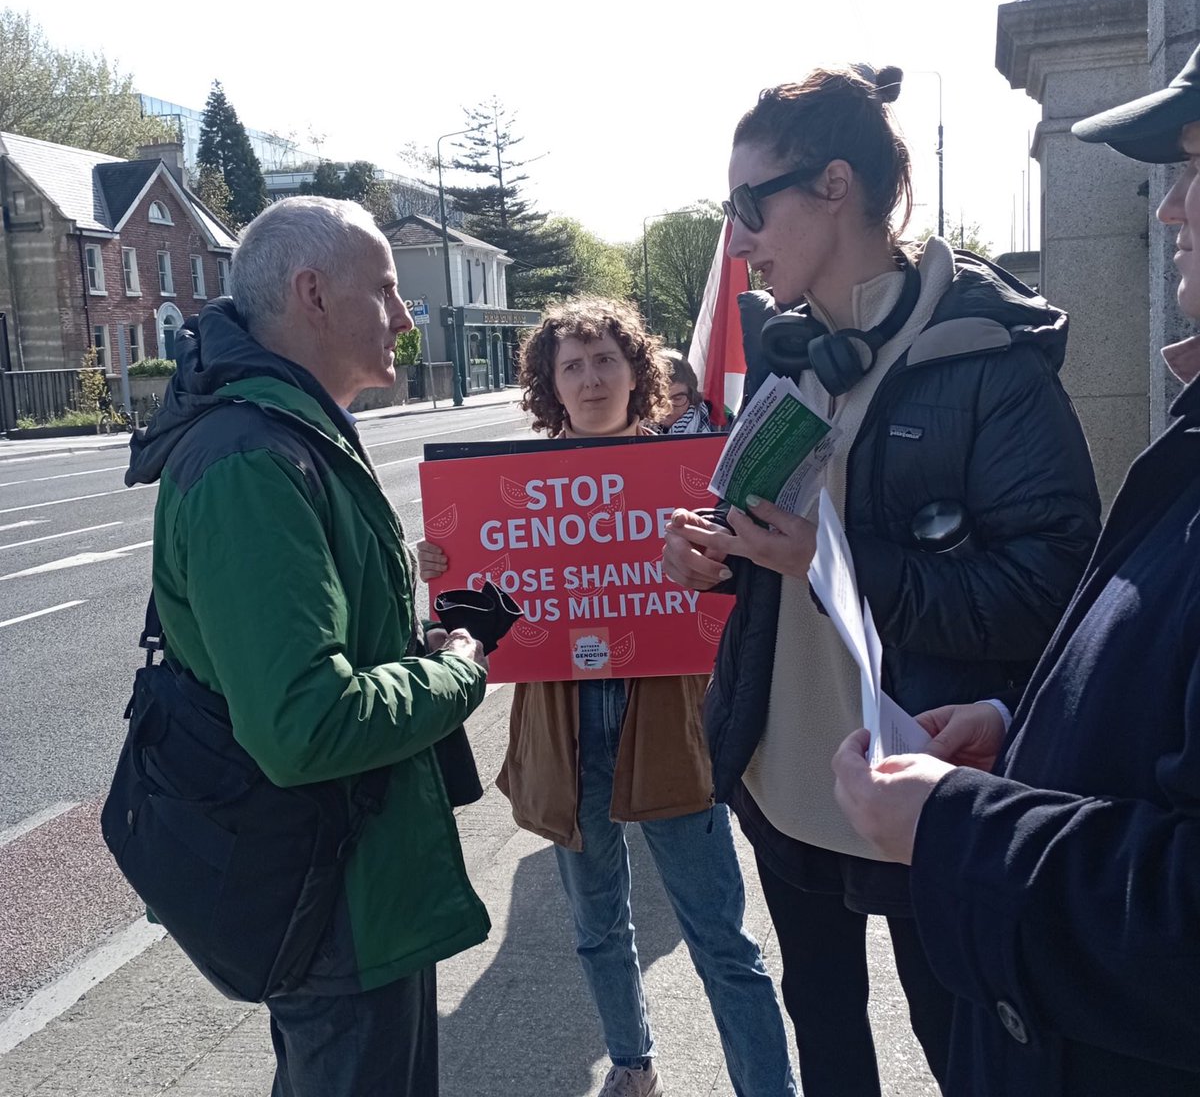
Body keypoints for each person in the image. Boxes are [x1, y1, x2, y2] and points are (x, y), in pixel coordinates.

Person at [662, 65, 1101, 1096]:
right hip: (781, 771)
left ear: (835, 186)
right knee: (822, 1019)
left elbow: (1049, 590)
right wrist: (718, 559)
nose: (736, 238)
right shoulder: (788, 356)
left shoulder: (990, 357)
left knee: (957, 1036)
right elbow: (777, 549)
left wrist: (831, 560)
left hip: (917, 775)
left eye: (748, 205)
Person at [833, 43, 1200, 1097]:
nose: (1169, 210)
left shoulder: (993, 371)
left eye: (1193, 166)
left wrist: (959, 826)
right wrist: (1029, 736)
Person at [125, 196, 490, 1097]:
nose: (407, 317)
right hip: (336, 902)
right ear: (314, 293)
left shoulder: (294, 434)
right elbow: (306, 724)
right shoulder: (254, 460)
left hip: (359, 881)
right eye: (389, 290)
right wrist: (454, 671)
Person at [419, 297, 795, 1097]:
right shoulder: (507, 490)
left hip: (672, 727)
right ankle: (632, 1063)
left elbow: (739, 600)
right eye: (572, 365)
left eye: (605, 361)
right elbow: (485, 617)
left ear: (636, 372)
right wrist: (443, 576)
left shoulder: (693, 479)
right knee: (596, 929)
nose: (591, 379)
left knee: (722, 939)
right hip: (566, 729)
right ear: (551, 385)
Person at [659, 349, 714, 433]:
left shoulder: (722, 429)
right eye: (660, 400)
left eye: (677, 398)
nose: (668, 408)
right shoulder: (634, 431)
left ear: (692, 397)